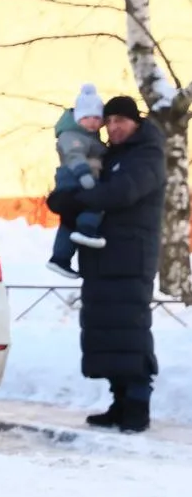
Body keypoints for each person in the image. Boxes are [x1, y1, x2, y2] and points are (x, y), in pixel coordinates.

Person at [46, 94, 166, 433]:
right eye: (109, 121)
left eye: (120, 121)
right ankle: (119, 402)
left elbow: (122, 192)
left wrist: (75, 201)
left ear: (136, 123)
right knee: (106, 332)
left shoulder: (147, 155)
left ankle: (138, 405)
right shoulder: (111, 154)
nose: (113, 127)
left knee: (130, 331)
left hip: (130, 257)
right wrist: (61, 198)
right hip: (101, 257)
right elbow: (84, 177)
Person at [47, 84, 108, 279]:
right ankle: (87, 229)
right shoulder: (71, 136)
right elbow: (74, 156)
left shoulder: (89, 137)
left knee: (68, 222)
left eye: (97, 118)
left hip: (78, 179)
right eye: (88, 117)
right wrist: (84, 175)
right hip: (75, 179)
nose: (92, 122)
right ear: (78, 117)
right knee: (96, 202)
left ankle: (60, 258)